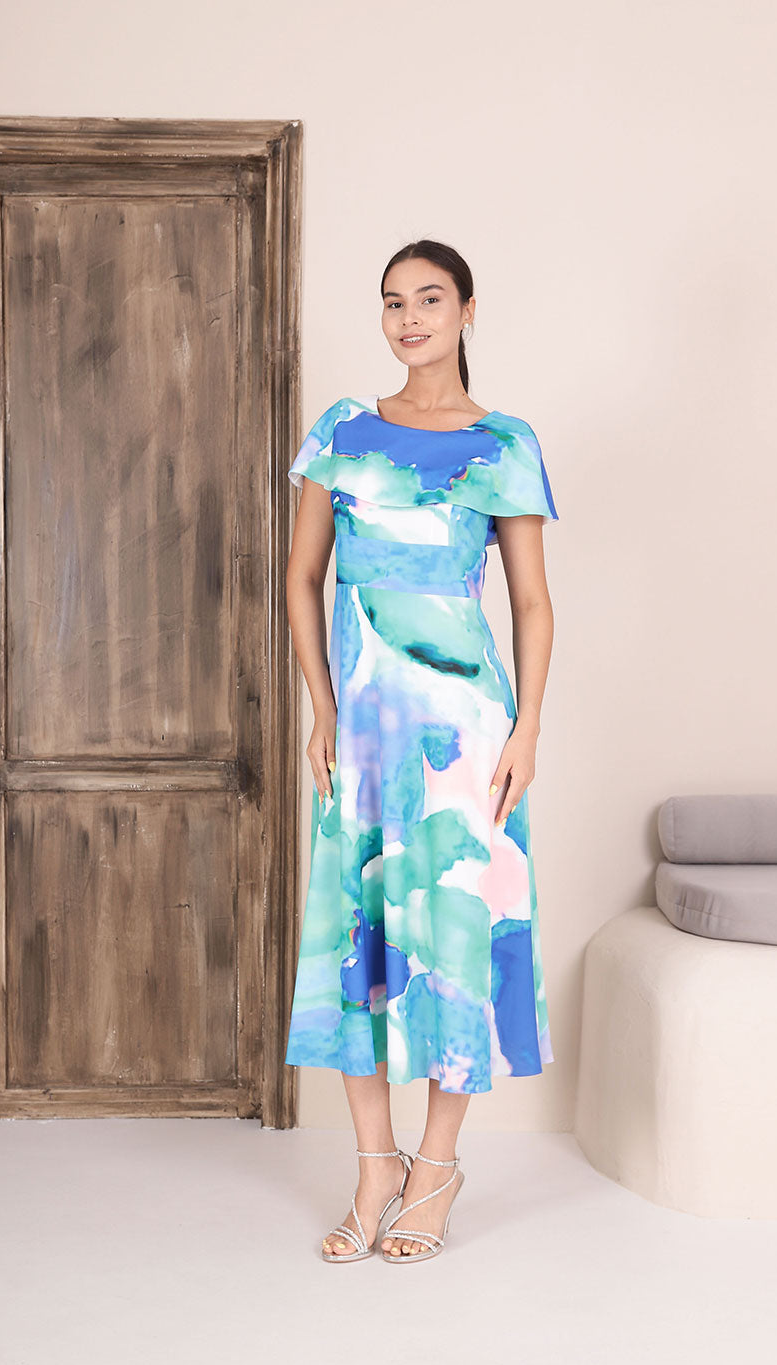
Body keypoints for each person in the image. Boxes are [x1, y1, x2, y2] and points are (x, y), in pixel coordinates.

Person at [284, 239, 559, 1263]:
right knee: (350, 932)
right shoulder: (341, 431)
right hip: (359, 726)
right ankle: (373, 1167)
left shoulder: (503, 442)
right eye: (394, 302)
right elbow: (301, 577)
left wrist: (527, 726)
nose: (409, 319)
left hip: (464, 731)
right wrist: (321, 706)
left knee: (452, 931)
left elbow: (531, 603)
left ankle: (435, 1166)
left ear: (467, 310)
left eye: (430, 299)